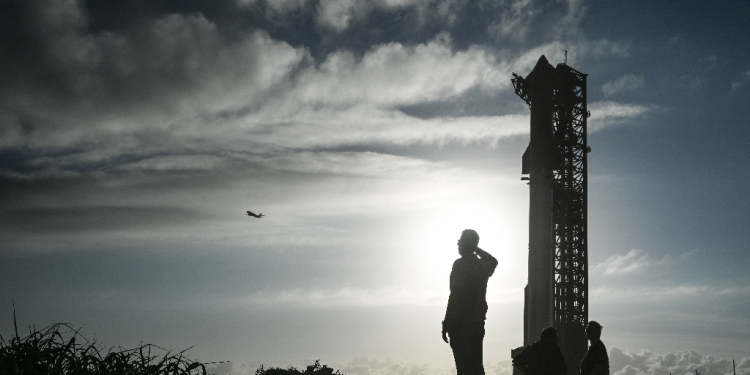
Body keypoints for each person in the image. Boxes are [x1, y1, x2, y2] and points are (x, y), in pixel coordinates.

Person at [442, 229, 498, 375]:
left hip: (460, 322)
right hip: (477, 322)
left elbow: (455, 295)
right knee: (476, 366)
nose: (458, 245)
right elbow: (493, 261)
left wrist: (447, 321)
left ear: (464, 244)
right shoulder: (481, 265)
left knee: (464, 367)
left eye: (460, 242)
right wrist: (476, 248)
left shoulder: (460, 265)